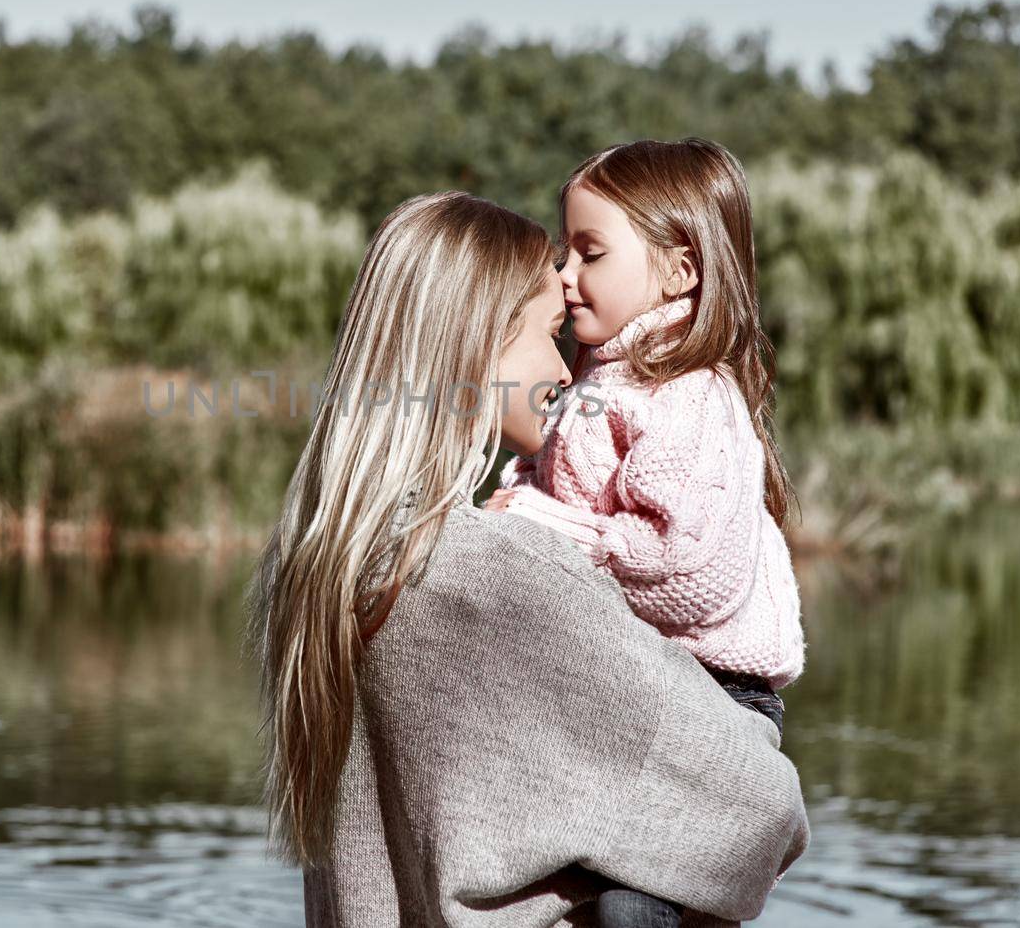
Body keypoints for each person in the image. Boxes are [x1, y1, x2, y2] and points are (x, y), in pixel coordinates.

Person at [244, 189, 809, 926]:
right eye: (549, 335)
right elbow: (762, 804)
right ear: (478, 348)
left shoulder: (322, 562)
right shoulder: (502, 571)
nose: (568, 370)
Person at [484, 140, 807, 928]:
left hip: (714, 704)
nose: (565, 274)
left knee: (634, 905)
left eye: (590, 252)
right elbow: (556, 495)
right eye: (566, 250)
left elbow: (683, 567)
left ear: (679, 270)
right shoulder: (601, 382)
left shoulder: (686, 393)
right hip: (627, 692)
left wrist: (532, 526)